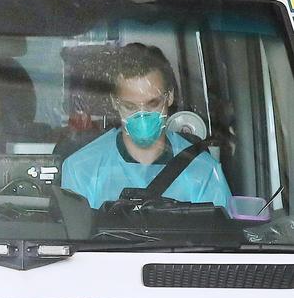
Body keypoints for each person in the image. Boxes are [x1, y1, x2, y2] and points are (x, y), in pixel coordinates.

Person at [61, 42, 231, 210]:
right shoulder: (82, 170)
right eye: (130, 106)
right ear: (114, 102)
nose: (142, 116)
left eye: (153, 103)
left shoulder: (203, 172)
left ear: (170, 96)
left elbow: (222, 234)